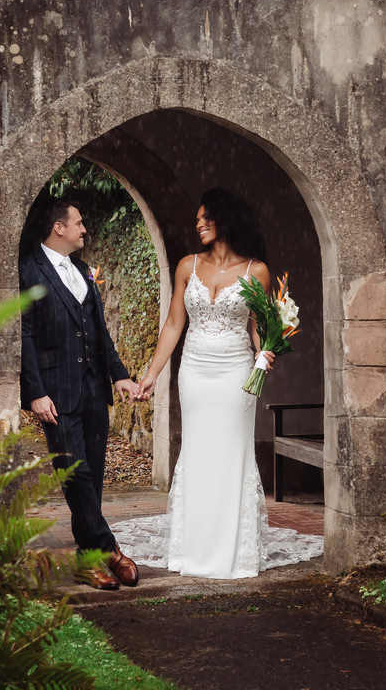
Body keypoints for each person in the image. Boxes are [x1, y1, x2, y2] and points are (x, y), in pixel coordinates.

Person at [117, 188, 323, 579]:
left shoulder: (256, 271)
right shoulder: (186, 266)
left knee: (231, 454)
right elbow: (175, 323)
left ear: (223, 219)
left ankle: (233, 552)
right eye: (196, 220)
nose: (196, 225)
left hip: (235, 374)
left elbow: (259, 327)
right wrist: (151, 375)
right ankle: (192, 548)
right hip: (194, 372)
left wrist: (267, 353)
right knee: (197, 453)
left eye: (203, 218)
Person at [20, 198, 141, 590]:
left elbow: (99, 330)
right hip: (55, 393)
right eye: (79, 222)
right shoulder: (29, 270)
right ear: (59, 227)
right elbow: (25, 336)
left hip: (93, 390)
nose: (84, 228)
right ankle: (108, 549)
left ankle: (88, 563)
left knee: (92, 477)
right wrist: (35, 393)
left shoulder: (83, 270)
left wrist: (119, 375)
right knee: (75, 474)